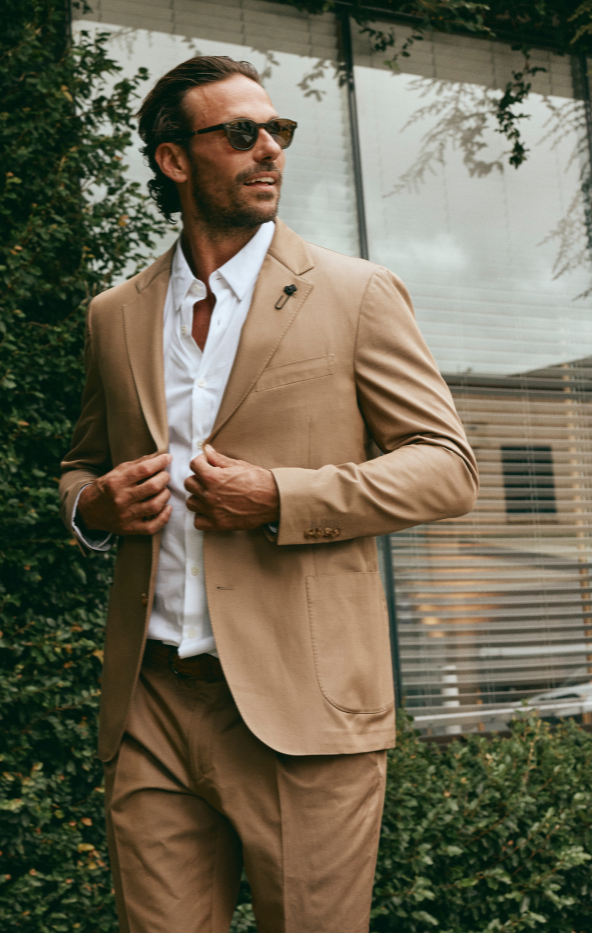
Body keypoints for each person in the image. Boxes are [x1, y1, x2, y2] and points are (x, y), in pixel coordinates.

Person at [60, 55, 478, 933]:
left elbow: (447, 466)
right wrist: (92, 508)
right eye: (240, 133)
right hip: (152, 703)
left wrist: (282, 496)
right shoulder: (115, 314)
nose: (268, 151)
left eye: (277, 132)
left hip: (302, 707)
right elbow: (83, 463)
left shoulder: (357, 293)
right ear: (175, 160)